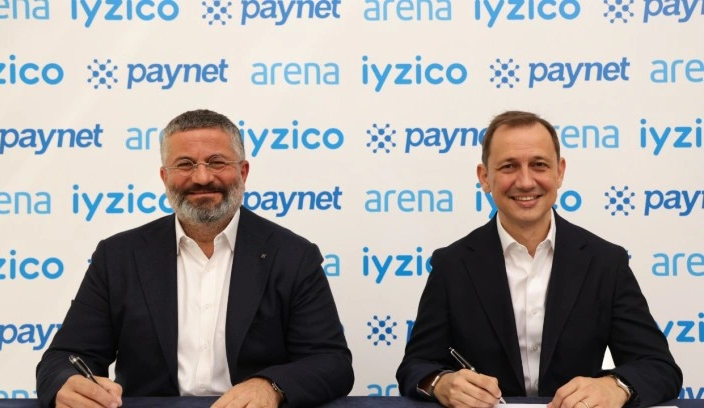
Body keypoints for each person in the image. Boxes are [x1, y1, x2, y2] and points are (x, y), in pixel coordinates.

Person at [36, 109, 354, 408]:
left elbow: (332, 362)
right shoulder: (118, 257)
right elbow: (64, 358)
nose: (202, 177)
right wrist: (66, 382)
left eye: (217, 162)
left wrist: (270, 386)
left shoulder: (293, 256)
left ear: (243, 172)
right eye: (185, 164)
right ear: (164, 177)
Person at [396, 111, 681, 408]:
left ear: (559, 172)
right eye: (508, 166)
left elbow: (659, 366)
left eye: (539, 165)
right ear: (484, 177)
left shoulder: (606, 263)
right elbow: (416, 366)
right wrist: (441, 383)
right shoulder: (451, 266)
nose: (525, 181)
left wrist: (616, 387)